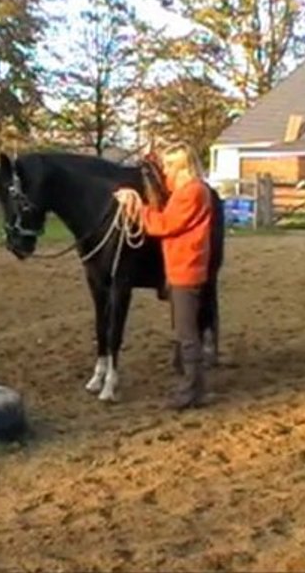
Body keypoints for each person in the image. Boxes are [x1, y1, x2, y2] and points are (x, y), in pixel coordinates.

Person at [114, 141, 214, 410]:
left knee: (187, 334)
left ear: (182, 167)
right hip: (182, 268)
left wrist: (134, 207)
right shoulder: (191, 191)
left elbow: (164, 224)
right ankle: (192, 387)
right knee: (184, 332)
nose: (165, 171)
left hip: (185, 270)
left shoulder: (191, 193)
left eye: (170, 165)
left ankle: (191, 392)